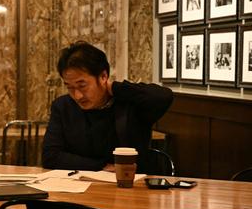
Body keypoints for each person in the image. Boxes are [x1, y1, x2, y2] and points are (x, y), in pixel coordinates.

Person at [42, 42, 173, 173]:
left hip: (130, 186)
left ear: (103, 76)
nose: (77, 96)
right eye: (70, 87)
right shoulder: (63, 107)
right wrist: (101, 166)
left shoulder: (129, 106)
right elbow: (50, 157)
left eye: (82, 86)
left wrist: (115, 88)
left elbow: (163, 97)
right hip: (78, 186)